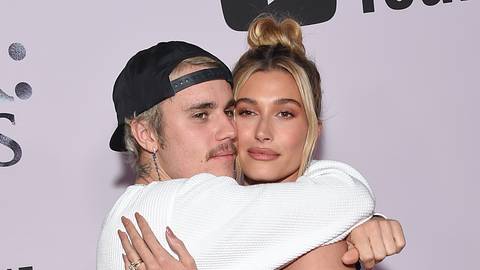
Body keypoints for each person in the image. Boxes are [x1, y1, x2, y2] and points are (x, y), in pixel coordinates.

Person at [115, 16, 405, 270]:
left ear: (314, 131)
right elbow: (346, 196)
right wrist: (360, 217)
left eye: (285, 113)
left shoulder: (315, 244)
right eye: (246, 112)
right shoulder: (190, 204)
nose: (262, 131)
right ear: (146, 134)